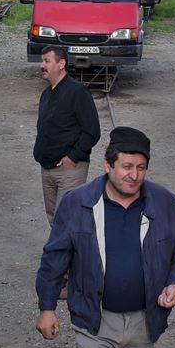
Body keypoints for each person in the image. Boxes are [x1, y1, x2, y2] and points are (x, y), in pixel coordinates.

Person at [35, 126, 175, 348]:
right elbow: (54, 258)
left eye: (141, 167)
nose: (134, 175)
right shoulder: (77, 203)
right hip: (95, 322)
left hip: (144, 324)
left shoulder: (166, 203)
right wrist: (47, 307)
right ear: (107, 165)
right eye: (126, 167)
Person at [35, 46, 101, 224]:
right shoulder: (46, 94)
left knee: (67, 218)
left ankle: (76, 251)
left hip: (69, 169)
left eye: (47, 61)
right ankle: (59, 252)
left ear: (61, 63)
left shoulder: (78, 92)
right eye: (42, 61)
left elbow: (92, 131)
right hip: (47, 167)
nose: (42, 65)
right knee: (53, 219)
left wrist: (73, 157)